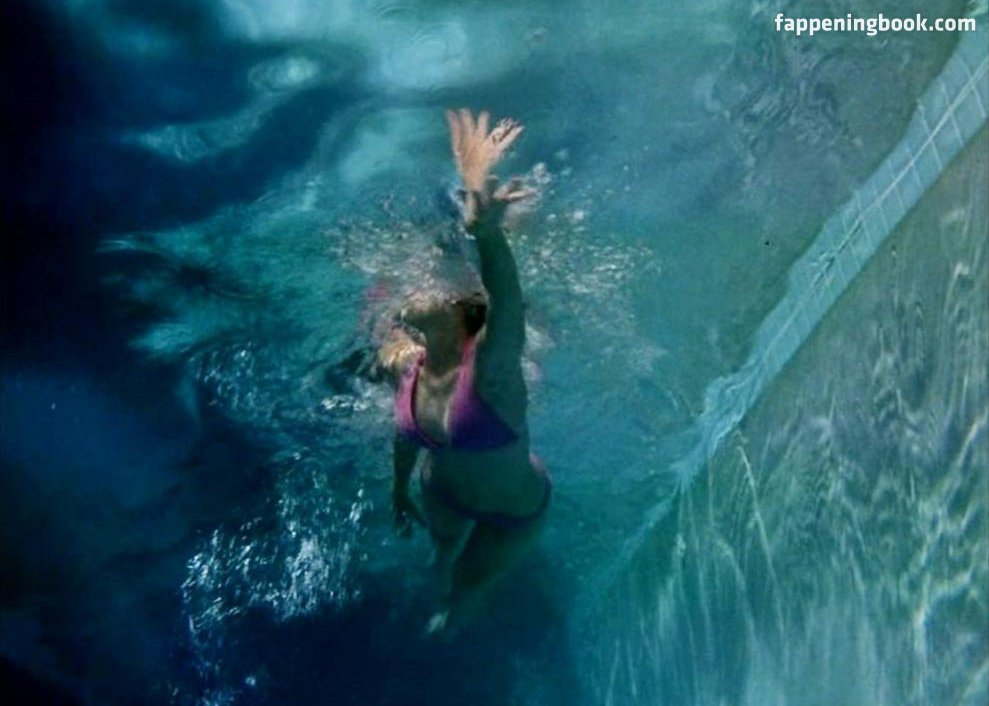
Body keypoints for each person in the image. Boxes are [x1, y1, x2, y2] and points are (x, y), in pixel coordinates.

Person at [377, 109, 551, 634]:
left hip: (514, 511)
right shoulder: (407, 364)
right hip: (442, 496)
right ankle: (438, 600)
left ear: (457, 308)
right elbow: (404, 437)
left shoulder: (490, 370)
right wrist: (398, 489)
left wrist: (486, 234)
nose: (416, 285)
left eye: (430, 284)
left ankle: (457, 621)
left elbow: (508, 303)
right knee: (441, 561)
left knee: (470, 587)